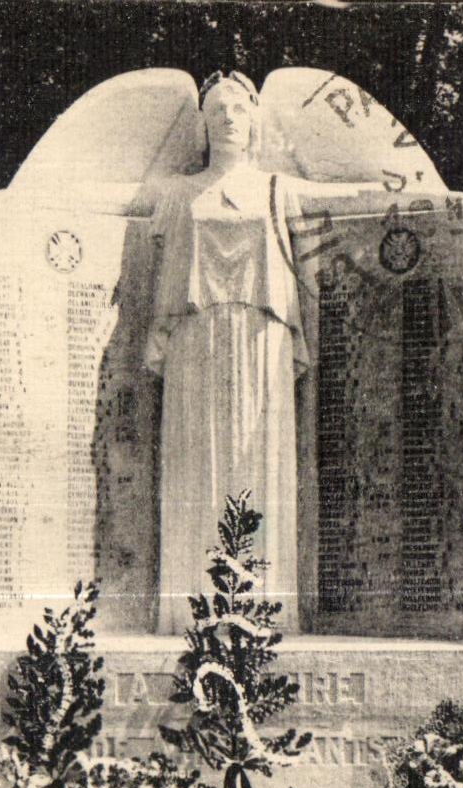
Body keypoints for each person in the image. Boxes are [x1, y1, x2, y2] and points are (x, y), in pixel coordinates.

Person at [143, 71, 309, 634]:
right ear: (203, 124)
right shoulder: (179, 192)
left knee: (258, 463)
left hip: (263, 342)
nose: (229, 118)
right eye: (217, 109)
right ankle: (192, 611)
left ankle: (263, 613)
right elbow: (118, 196)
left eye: (238, 108)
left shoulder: (275, 189)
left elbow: (353, 198)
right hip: (195, 343)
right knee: (196, 467)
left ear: (254, 120)